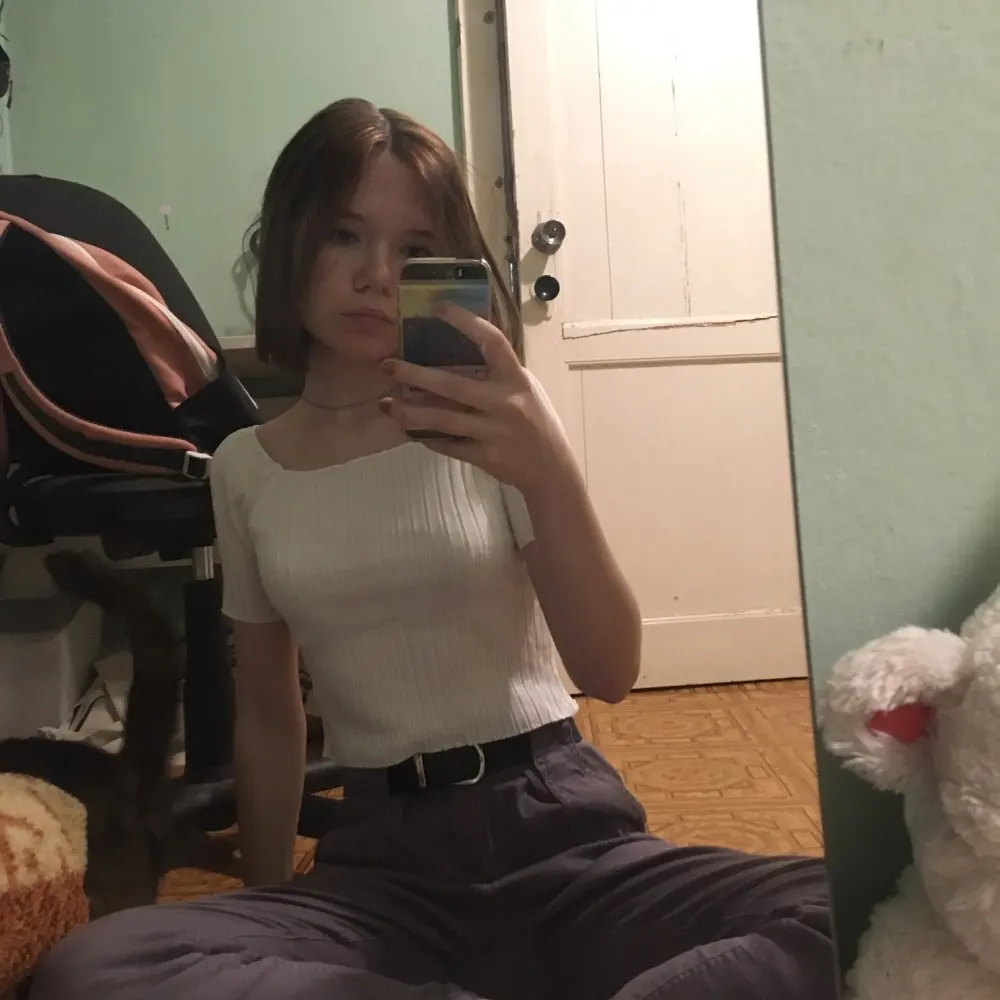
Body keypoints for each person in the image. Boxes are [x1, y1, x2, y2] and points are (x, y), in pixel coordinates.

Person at [28, 98, 837, 1000]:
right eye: (345, 235)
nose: (377, 275)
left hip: (561, 832)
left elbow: (610, 670)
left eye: (414, 250)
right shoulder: (246, 468)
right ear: (290, 243)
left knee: (849, 903)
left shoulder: (498, 424)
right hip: (385, 871)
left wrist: (548, 470)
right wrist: (268, 908)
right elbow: (267, 712)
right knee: (94, 969)